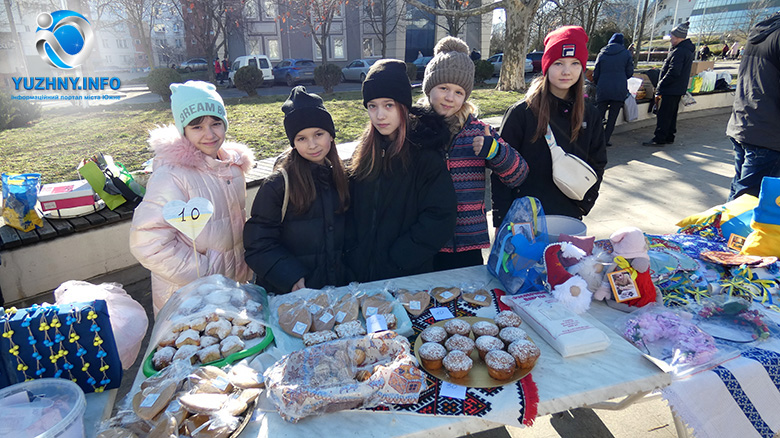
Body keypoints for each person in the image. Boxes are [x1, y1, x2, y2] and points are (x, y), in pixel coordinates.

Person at [129, 81, 254, 315]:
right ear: (182, 130)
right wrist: (205, 272)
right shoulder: (172, 176)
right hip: (190, 299)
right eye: (197, 126)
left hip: (232, 288)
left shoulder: (232, 168)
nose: (209, 134)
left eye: (216, 123)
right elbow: (147, 243)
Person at [418, 36, 529, 271]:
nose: (450, 97)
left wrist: (496, 152)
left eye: (459, 92)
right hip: (425, 240)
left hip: (467, 243)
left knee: (470, 302)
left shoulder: (479, 130)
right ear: (429, 88)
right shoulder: (415, 130)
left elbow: (518, 174)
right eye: (443, 88)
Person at [345, 59, 457, 282]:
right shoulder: (363, 153)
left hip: (407, 275)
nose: (380, 116)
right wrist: (352, 253)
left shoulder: (424, 153)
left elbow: (440, 215)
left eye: (389, 105)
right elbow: (349, 210)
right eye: (372, 106)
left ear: (403, 107)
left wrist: (399, 257)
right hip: (362, 274)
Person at [492, 26, 608, 222]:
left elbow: (597, 161)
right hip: (524, 219)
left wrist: (584, 202)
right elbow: (500, 167)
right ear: (546, 65)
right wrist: (501, 217)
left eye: (574, 63)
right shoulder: (521, 113)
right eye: (558, 63)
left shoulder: (590, 113)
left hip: (569, 215)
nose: (566, 71)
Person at [244, 86, 350, 293]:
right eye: (301, 138)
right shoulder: (278, 186)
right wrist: (290, 276)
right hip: (296, 293)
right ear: (293, 143)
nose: (312, 145)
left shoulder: (344, 177)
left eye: (318, 134)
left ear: (331, 135)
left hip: (339, 289)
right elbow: (258, 244)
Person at [726, 13, 780, 200]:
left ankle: (719, 228)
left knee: (739, 195)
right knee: (749, 201)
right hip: (768, 133)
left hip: (744, 121)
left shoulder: (762, 30)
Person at [642, 22, 694, 146]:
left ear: (679, 37)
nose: (671, 39)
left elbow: (674, 71)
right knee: (671, 114)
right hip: (677, 89)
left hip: (670, 89)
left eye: (672, 37)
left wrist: (661, 84)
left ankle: (659, 138)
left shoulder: (679, 52)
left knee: (664, 115)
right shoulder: (686, 51)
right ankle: (669, 135)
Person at [593, 32, 634, 146]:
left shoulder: (602, 53)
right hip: (619, 88)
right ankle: (605, 140)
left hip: (603, 87)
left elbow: (596, 73)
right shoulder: (626, 54)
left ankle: (595, 138)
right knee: (612, 117)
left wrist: (599, 83)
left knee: (599, 115)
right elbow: (629, 73)